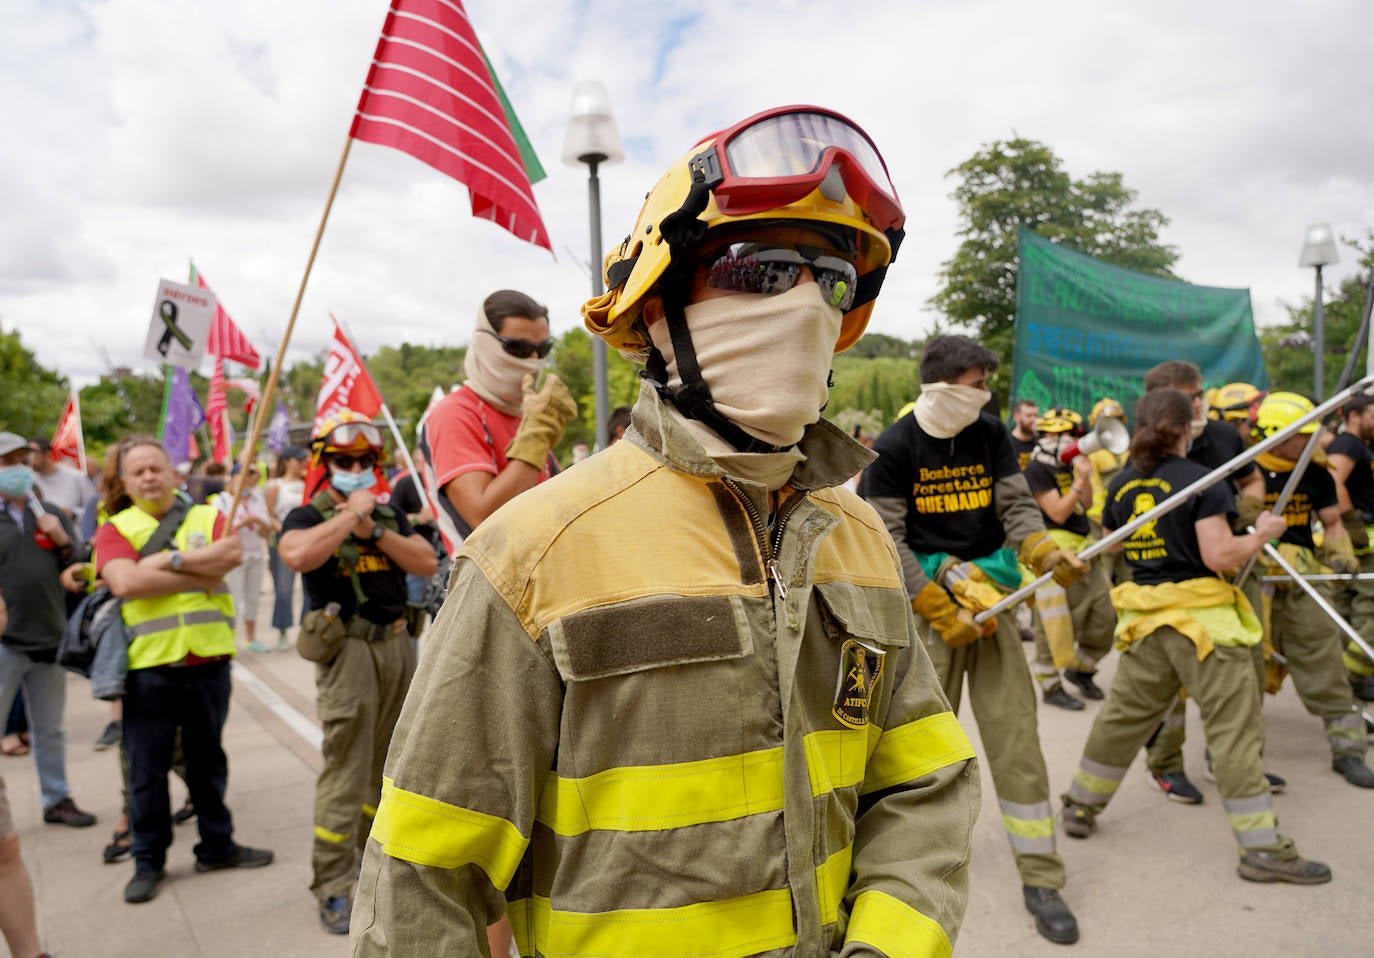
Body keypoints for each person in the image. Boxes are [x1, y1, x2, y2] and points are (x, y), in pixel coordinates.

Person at [352, 105, 978, 957]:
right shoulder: (532, 553)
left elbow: (923, 782)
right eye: (760, 270)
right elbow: (423, 878)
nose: (803, 306)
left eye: (831, 279)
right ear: (655, 309)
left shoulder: (859, 533)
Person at [861, 334, 1084, 944]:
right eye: (976, 382)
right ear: (940, 383)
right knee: (921, 756)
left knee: (1017, 741)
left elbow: (1016, 509)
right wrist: (932, 603)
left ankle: (1042, 878)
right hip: (930, 614)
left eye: (987, 381)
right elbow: (885, 536)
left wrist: (1040, 548)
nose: (986, 393)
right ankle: (897, 886)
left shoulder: (990, 437)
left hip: (994, 602)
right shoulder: (894, 445)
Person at [1061, 387, 1332, 883]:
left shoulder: (1122, 485)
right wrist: (1262, 534)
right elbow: (1220, 557)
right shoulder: (1202, 482)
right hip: (1205, 628)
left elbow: (1113, 545)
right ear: (1187, 429)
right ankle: (1262, 849)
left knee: (1123, 720)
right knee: (1233, 733)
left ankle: (1080, 804)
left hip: (1146, 624)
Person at [416, 290, 579, 958]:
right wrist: (535, 439)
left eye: (542, 348)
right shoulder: (457, 413)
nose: (532, 360)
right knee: (487, 821)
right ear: (484, 340)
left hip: (546, 617)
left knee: (545, 817)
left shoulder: (528, 412)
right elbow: (483, 512)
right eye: (518, 346)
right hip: (485, 625)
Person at [95, 436, 273, 904]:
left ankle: (217, 845)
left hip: (209, 663)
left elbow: (231, 557)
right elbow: (124, 581)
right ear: (126, 482)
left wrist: (166, 560)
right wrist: (198, 569)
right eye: (139, 472)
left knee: (208, 762)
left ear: (176, 473)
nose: (150, 477)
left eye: (157, 468)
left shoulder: (207, 516)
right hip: (147, 670)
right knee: (146, 773)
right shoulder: (115, 527)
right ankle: (147, 860)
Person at [279, 412, 436, 936]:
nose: (355, 468)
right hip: (347, 653)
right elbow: (298, 554)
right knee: (346, 770)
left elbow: (424, 562)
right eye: (344, 461)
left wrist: (373, 528)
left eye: (364, 461)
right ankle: (331, 886)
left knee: (390, 766)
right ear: (325, 465)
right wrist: (351, 518)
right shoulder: (308, 515)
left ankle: (375, 866)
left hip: (396, 647)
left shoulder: (388, 514)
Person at [1140, 361, 1268, 804]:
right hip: (1167, 582)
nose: (1201, 404)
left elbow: (1253, 482)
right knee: (1165, 684)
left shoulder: (1225, 437)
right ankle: (1166, 765)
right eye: (1190, 397)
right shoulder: (1140, 451)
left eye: (1201, 395)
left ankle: (1234, 760)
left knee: (1244, 670)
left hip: (1229, 573)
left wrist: (1244, 518)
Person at [1249, 392, 1374, 788]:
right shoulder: (1244, 471)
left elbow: (1333, 522)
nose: (1315, 441)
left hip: (1302, 577)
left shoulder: (1315, 471)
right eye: (1303, 435)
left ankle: (1348, 749)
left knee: (1323, 656)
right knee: (1246, 665)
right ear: (1275, 435)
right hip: (1255, 577)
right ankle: (1236, 756)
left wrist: (1341, 556)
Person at [0, 431, 97, 830]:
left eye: (24, 459)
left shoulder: (50, 512)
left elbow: (78, 565)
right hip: (6, 641)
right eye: (8, 461)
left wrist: (62, 542)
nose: (18, 468)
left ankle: (56, 798)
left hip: (49, 635)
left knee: (50, 729)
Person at [1023, 407, 1117, 710]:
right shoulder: (1036, 469)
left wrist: (1082, 477)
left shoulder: (1071, 467)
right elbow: (1058, 512)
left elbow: (1086, 504)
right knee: (1054, 625)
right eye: (1057, 434)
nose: (1065, 440)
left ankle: (1082, 670)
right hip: (1053, 553)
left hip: (1085, 550)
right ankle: (1050, 685)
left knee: (1105, 617)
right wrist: (1078, 482)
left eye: (1071, 435)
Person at [1325, 392, 1374, 701]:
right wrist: (1351, 523)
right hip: (1362, 538)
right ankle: (1345, 685)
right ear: (1354, 415)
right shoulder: (1347, 444)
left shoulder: (1360, 446)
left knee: (1351, 612)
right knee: (1367, 612)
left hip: (1363, 536)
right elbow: (1333, 481)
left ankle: (1348, 685)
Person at [215, 463, 273, 652]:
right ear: (233, 477)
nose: (248, 479)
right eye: (243, 475)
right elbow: (222, 531)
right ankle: (226, 640)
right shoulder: (222, 501)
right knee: (233, 599)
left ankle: (250, 638)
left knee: (252, 598)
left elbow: (266, 530)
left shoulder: (257, 499)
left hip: (255, 553)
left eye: (251, 475)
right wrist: (247, 521)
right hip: (234, 557)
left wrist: (259, 523)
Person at [266, 445, 310, 649]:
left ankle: (307, 628)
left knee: (310, 588)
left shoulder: (308, 483)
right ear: (288, 461)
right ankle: (283, 630)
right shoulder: (275, 485)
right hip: (284, 542)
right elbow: (270, 514)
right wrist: (284, 532)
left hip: (308, 540)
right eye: (299, 459)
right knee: (283, 589)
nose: (303, 463)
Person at [26, 436, 95, 528]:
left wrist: (73, 514)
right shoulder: (28, 482)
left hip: (76, 538)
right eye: (28, 455)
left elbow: (94, 510)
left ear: (47, 454)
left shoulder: (77, 477)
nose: (31, 458)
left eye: (34, 454)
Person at [1009, 398, 1040, 471]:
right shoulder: (1007, 443)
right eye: (1029, 416)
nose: (1033, 420)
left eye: (1036, 415)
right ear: (1016, 417)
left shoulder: (1040, 442)